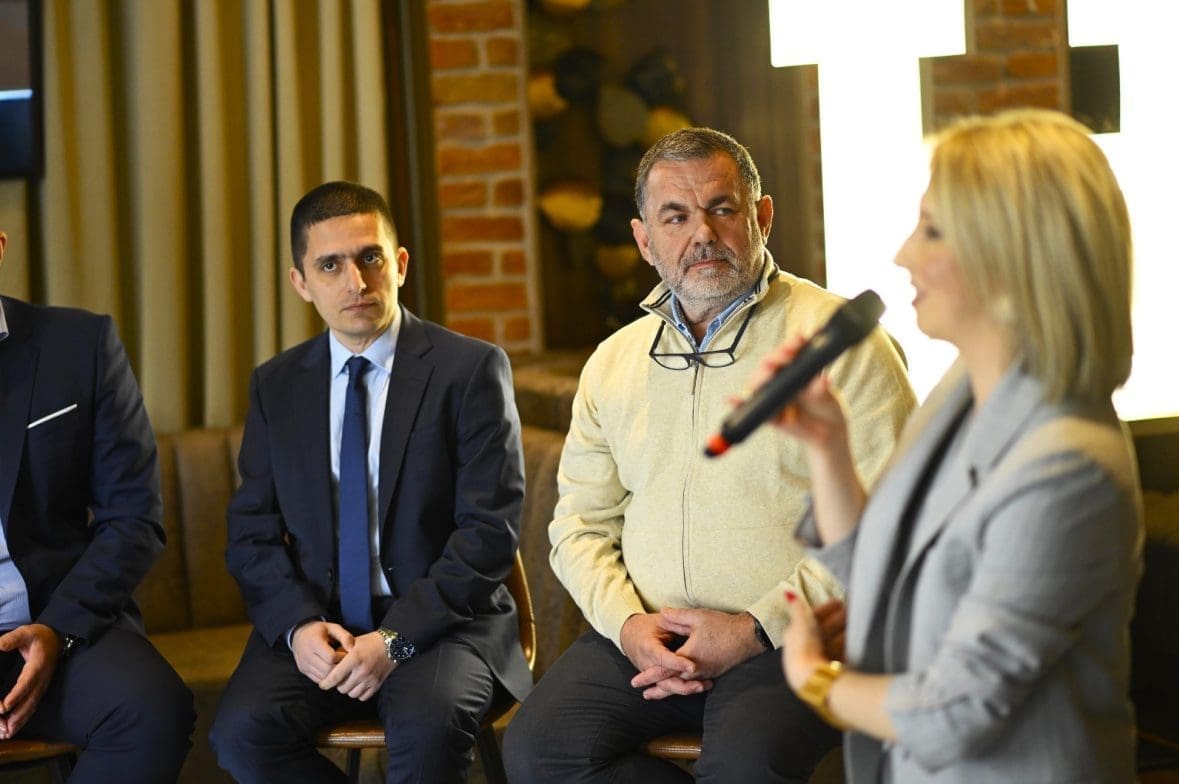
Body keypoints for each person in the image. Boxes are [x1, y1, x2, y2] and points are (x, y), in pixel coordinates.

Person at [503, 127, 917, 783]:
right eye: (675, 216)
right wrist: (628, 625)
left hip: (792, 637)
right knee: (538, 751)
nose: (702, 233)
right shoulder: (613, 363)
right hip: (648, 636)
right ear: (644, 240)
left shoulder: (837, 343)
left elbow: (891, 524)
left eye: (722, 208)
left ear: (762, 217)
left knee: (745, 765)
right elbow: (578, 525)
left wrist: (753, 628)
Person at [765, 109, 1142, 782]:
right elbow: (882, 575)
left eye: (933, 230)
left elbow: (953, 712)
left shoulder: (1069, 467)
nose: (903, 254)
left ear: (1012, 255)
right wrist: (827, 447)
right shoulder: (959, 392)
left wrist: (813, 679)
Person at [209, 181, 531, 783]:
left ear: (400, 264)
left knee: (428, 726)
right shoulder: (276, 386)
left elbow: (489, 533)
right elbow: (251, 534)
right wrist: (298, 627)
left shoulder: (469, 370)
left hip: (444, 626)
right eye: (330, 265)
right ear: (301, 282)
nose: (355, 282)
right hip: (323, 622)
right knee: (241, 734)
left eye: (370, 258)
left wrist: (395, 639)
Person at [0, 230, 195, 780]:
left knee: (150, 710)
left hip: (57, 620)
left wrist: (57, 629)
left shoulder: (80, 346)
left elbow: (133, 517)